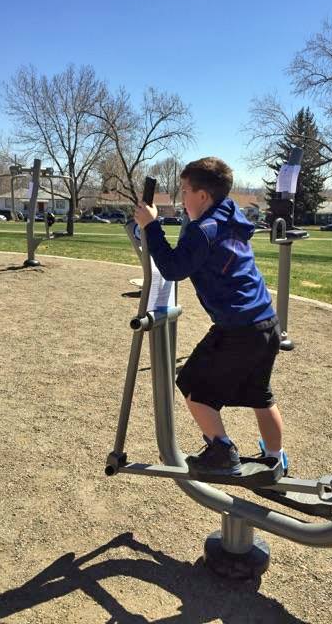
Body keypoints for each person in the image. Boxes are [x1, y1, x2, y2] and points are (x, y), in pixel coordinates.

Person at [134, 157, 286, 481]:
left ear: (203, 195)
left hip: (239, 329)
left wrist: (150, 226)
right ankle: (276, 460)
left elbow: (174, 268)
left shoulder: (203, 230)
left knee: (193, 385)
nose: (182, 197)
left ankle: (221, 452)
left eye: (186, 190)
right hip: (266, 322)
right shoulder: (231, 215)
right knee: (260, 394)